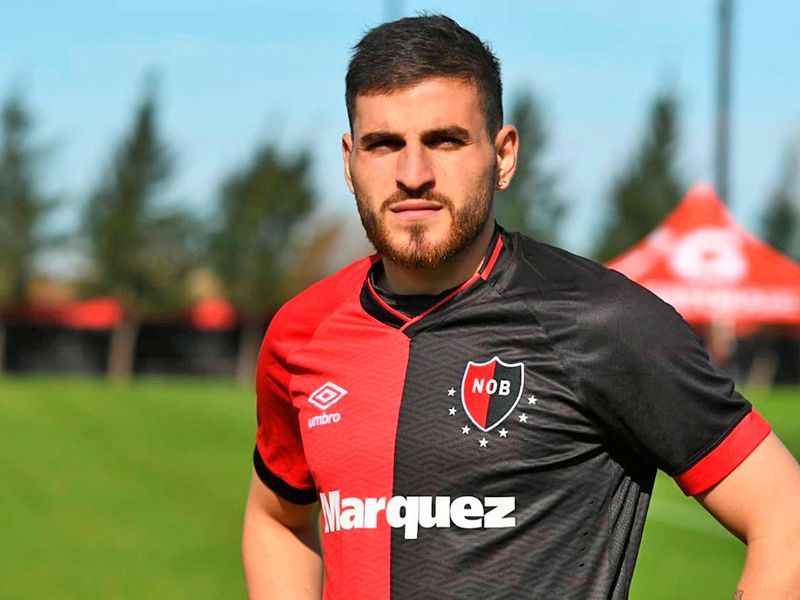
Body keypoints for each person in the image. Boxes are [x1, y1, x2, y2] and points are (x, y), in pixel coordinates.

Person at [242, 14, 800, 599]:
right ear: (350, 161)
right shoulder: (301, 333)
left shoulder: (606, 322)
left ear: (503, 155)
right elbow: (276, 518)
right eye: (384, 145)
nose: (413, 174)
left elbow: (784, 518)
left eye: (445, 140)